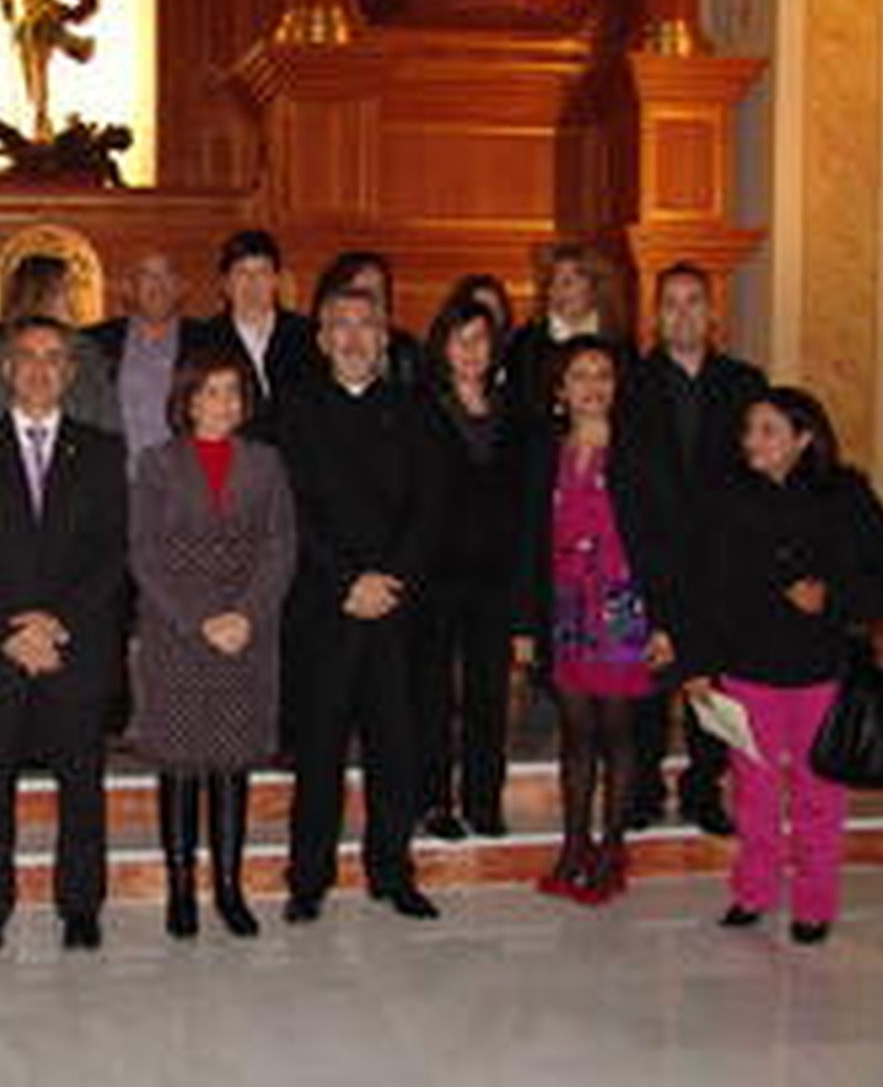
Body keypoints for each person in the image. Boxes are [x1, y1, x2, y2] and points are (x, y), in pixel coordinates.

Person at [683, 388, 883, 945]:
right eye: (749, 429)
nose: (751, 441)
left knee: (818, 792)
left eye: (767, 430)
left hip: (819, 668)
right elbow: (700, 587)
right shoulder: (724, 495)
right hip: (745, 667)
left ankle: (815, 902)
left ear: (803, 439)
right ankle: (753, 890)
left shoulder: (844, 494)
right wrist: (698, 666)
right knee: (752, 792)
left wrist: (832, 597)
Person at [0, 317, 128, 952]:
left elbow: (114, 553)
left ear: (71, 373)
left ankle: (81, 906)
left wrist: (58, 622)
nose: (40, 369)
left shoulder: (104, 450)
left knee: (81, 782)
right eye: (27, 357)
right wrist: (11, 627)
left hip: (73, 645)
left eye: (55, 358)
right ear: (6, 368)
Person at [278, 280, 441, 922]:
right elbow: (292, 512)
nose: (352, 337)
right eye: (339, 325)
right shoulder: (292, 410)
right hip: (325, 607)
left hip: (397, 611)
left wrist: (389, 580)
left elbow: (432, 511)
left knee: (396, 748)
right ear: (321, 339)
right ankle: (308, 878)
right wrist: (348, 580)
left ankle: (392, 871)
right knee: (317, 753)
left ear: (384, 337)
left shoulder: (417, 409)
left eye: (365, 325)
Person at [130, 349, 296, 939]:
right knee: (180, 765)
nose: (222, 402)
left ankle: (228, 887)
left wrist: (245, 615)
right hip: (179, 635)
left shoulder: (267, 463)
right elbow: (144, 553)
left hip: (247, 635)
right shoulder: (156, 463)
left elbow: (281, 548)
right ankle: (181, 889)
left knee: (232, 764)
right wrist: (201, 620)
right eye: (210, 392)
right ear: (188, 399)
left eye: (232, 391)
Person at [514, 336, 680, 906]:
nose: (592, 385)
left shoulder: (639, 451)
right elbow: (528, 545)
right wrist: (524, 624)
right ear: (561, 390)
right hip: (565, 609)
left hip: (624, 610)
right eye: (579, 375)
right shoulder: (543, 453)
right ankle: (573, 845)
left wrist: (665, 622)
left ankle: (612, 848)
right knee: (576, 732)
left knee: (618, 731)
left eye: (603, 374)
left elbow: (667, 541)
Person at [626, 262, 767, 835]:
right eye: (671, 304)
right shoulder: (630, 383)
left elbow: (757, 466)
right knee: (649, 677)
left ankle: (704, 788)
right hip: (649, 547)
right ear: (656, 317)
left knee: (712, 676)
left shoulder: (745, 382)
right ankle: (641, 789)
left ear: (713, 314)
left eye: (693, 302)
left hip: (720, 554)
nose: (682, 313)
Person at [413, 296, 519, 841]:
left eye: (480, 339)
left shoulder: (512, 408)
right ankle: (434, 801)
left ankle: (484, 799)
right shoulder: (420, 406)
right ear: (443, 347)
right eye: (461, 340)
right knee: (432, 694)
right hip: (435, 575)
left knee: (488, 694)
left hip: (494, 576)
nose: (472, 350)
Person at [190, 229, 317, 441]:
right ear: (226, 284)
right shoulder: (204, 339)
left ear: (276, 280)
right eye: (242, 273)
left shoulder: (307, 335)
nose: (252, 283)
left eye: (262, 272)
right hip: (236, 462)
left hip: (300, 459)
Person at [85, 250, 201, 474]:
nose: (158, 285)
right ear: (129, 288)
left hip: (187, 482)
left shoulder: (207, 341)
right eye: (146, 275)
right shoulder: (96, 343)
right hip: (117, 481)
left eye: (167, 275)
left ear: (180, 287)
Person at [0, 253, 120, 431]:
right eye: (66, 290)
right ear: (41, 292)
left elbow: (107, 417)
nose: (73, 300)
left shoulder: (86, 349)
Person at [504, 242, 631, 429]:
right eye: (555, 280)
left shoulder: (619, 344)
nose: (562, 288)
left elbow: (628, 407)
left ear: (595, 286)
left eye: (573, 279)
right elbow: (519, 411)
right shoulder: (526, 344)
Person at [313, 252, 423, 387]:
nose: (363, 305)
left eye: (374, 296)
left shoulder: (410, 358)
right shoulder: (306, 361)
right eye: (355, 294)